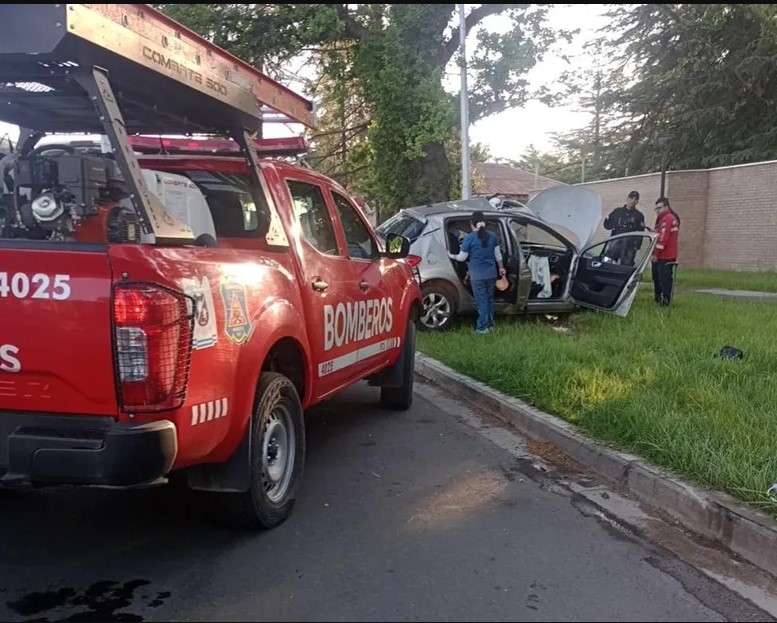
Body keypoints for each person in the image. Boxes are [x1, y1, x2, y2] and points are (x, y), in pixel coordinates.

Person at [448, 211, 505, 334]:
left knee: (482, 302)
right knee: (489, 300)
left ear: (471, 223)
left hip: (477, 276)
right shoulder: (493, 236)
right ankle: (490, 325)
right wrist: (501, 268)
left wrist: (451, 255)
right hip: (492, 274)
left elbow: (462, 258)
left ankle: (481, 328)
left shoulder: (469, 238)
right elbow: (498, 255)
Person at [603, 190, 646, 266]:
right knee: (608, 262)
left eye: (635, 199)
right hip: (615, 241)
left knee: (627, 265)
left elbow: (641, 232)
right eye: (631, 198)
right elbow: (607, 224)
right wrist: (614, 226)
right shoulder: (617, 211)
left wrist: (637, 246)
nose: (633, 201)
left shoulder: (639, 215)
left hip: (630, 245)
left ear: (637, 202)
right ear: (627, 199)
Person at [652, 196, 680, 306]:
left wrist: (655, 254)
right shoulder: (669, 218)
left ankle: (665, 302)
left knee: (663, 279)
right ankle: (661, 299)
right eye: (656, 209)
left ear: (666, 207)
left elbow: (662, 239)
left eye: (659, 208)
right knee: (661, 278)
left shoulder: (666, 219)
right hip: (667, 255)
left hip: (665, 256)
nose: (658, 211)